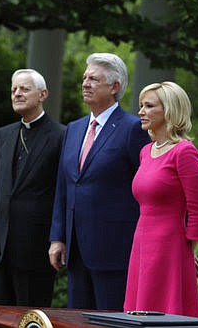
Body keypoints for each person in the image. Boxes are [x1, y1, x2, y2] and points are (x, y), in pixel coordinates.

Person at [48, 53, 150, 311]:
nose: (85, 83)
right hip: (76, 249)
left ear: (114, 87)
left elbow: (147, 188)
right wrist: (57, 237)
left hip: (115, 249)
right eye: (84, 78)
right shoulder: (73, 128)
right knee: (77, 320)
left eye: (93, 79)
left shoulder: (133, 129)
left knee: (110, 320)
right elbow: (64, 187)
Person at [124, 81, 198, 317]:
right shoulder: (146, 151)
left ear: (169, 111)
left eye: (149, 106)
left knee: (164, 312)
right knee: (138, 312)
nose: (140, 111)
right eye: (141, 105)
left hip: (170, 247)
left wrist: (187, 252)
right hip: (141, 243)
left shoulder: (184, 152)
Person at [0, 69, 66, 306]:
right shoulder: (2, 135)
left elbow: (62, 192)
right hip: (0, 248)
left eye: (24, 89)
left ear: (43, 94)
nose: (17, 94)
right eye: (14, 89)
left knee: (32, 316)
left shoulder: (61, 135)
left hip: (36, 246)